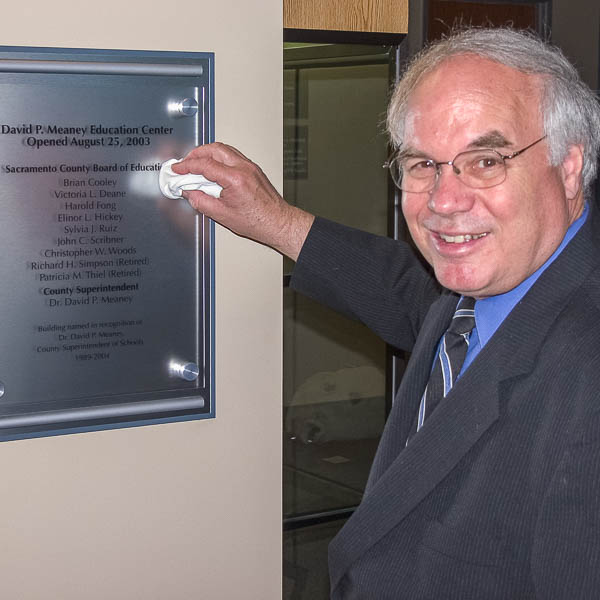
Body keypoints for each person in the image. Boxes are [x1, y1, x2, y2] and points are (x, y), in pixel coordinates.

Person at [172, 28, 600, 599]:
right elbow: (407, 292)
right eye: (424, 164)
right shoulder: (489, 290)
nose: (445, 201)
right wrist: (273, 219)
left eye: (486, 160)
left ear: (569, 166)